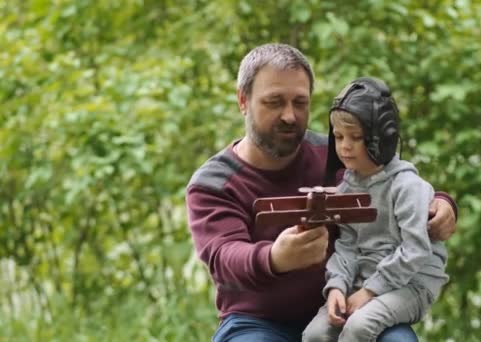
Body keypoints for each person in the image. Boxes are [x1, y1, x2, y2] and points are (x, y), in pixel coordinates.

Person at [185, 43, 458, 342]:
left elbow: (393, 181)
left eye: (300, 102)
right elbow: (224, 256)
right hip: (258, 322)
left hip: (349, 306)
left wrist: (442, 205)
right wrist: (275, 258)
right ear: (243, 101)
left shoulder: (340, 153)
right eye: (274, 102)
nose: (289, 115)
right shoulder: (213, 182)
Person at [301, 77, 449, 342]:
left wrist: (369, 292)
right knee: (315, 334)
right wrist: (337, 286)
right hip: (366, 283)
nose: (344, 146)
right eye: (338, 136)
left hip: (411, 285)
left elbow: (415, 250)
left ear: (384, 137)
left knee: (359, 327)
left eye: (356, 138)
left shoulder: (407, 187)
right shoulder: (348, 188)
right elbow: (347, 245)